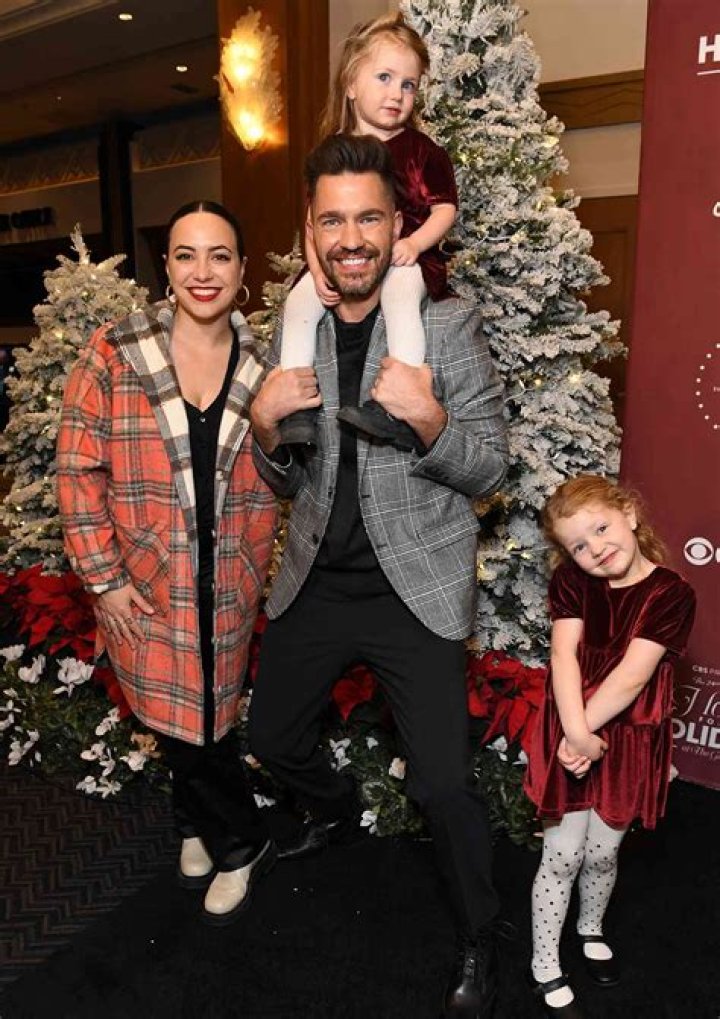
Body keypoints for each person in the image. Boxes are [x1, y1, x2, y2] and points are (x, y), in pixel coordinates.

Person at [248, 133, 509, 1019]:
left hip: (414, 586)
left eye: (368, 217)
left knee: (442, 783)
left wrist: (430, 420)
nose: (351, 237)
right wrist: (264, 430)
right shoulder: (298, 325)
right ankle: (330, 807)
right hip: (318, 578)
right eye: (333, 220)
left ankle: (479, 933)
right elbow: (284, 478)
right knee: (272, 734)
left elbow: (491, 470)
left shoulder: (448, 325)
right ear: (311, 229)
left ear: (398, 223)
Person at [57, 200, 278, 926]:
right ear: (168, 268)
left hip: (233, 573)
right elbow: (77, 471)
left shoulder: (267, 363)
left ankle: (198, 823)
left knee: (209, 710)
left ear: (242, 271)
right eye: (186, 255)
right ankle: (241, 839)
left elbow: (292, 468)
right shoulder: (115, 351)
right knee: (176, 712)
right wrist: (104, 578)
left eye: (220, 255)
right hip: (145, 578)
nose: (202, 271)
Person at [524, 475, 696, 1019]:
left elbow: (631, 678)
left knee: (602, 852)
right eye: (578, 545)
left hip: (628, 736)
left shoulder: (671, 593)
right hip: (571, 724)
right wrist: (575, 733)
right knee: (562, 855)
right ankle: (544, 962)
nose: (595, 549)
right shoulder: (573, 583)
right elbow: (564, 657)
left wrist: (585, 733)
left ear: (630, 515)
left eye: (601, 529)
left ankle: (590, 927)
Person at [278, 11, 457, 451]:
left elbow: (445, 208)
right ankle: (297, 407)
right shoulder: (331, 154)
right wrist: (315, 268)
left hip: (407, 258)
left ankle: (397, 405)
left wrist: (414, 243)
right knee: (298, 304)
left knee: (398, 298)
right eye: (384, 78)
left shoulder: (422, 151)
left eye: (409, 85)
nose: (397, 94)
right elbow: (312, 220)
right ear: (351, 85)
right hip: (341, 261)